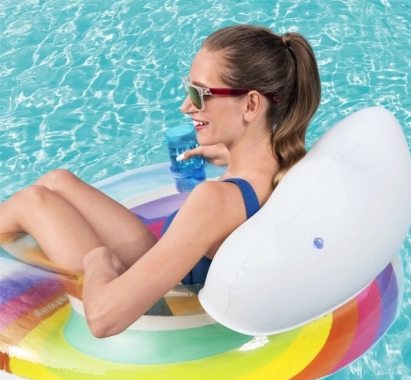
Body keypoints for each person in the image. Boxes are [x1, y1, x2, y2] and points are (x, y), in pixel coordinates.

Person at [0, 24, 321, 338]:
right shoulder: (288, 163)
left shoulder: (215, 200)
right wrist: (229, 150)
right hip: (175, 268)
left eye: (201, 94)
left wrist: (98, 260)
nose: (187, 106)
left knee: (35, 201)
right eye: (188, 88)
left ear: (251, 105)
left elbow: (102, 320)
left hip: (158, 306)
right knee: (58, 181)